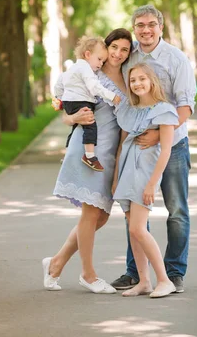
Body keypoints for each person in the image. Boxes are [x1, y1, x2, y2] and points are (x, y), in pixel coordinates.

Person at [111, 4, 197, 294]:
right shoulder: (128, 55)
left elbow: (185, 107)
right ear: (134, 28)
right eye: (140, 25)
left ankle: (173, 272)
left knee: (176, 210)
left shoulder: (177, 59)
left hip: (171, 145)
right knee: (134, 210)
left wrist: (158, 136)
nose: (145, 30)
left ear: (161, 27)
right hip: (138, 148)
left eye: (151, 24)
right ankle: (137, 273)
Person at [42, 28, 132, 294]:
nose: (117, 53)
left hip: (111, 154)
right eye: (113, 47)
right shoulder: (91, 73)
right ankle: (88, 275)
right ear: (104, 48)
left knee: (100, 217)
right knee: (91, 214)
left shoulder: (129, 78)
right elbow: (64, 107)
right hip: (88, 151)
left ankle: (55, 263)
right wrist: (72, 118)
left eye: (124, 49)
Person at [112, 63, 179, 298]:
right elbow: (121, 147)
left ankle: (164, 280)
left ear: (152, 81)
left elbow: (167, 150)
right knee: (132, 230)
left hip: (144, 175)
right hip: (126, 173)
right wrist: (115, 178)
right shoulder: (129, 110)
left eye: (142, 79)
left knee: (139, 228)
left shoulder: (164, 110)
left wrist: (152, 183)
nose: (137, 84)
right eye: (133, 80)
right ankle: (144, 281)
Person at [53, 36, 121, 171]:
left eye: (103, 61)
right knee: (90, 126)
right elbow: (94, 87)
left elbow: (58, 84)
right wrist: (111, 96)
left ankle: (68, 153)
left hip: (70, 102)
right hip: (81, 101)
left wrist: (61, 99)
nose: (101, 64)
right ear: (88, 54)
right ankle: (90, 156)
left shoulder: (72, 68)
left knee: (75, 130)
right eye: (99, 59)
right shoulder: (85, 69)